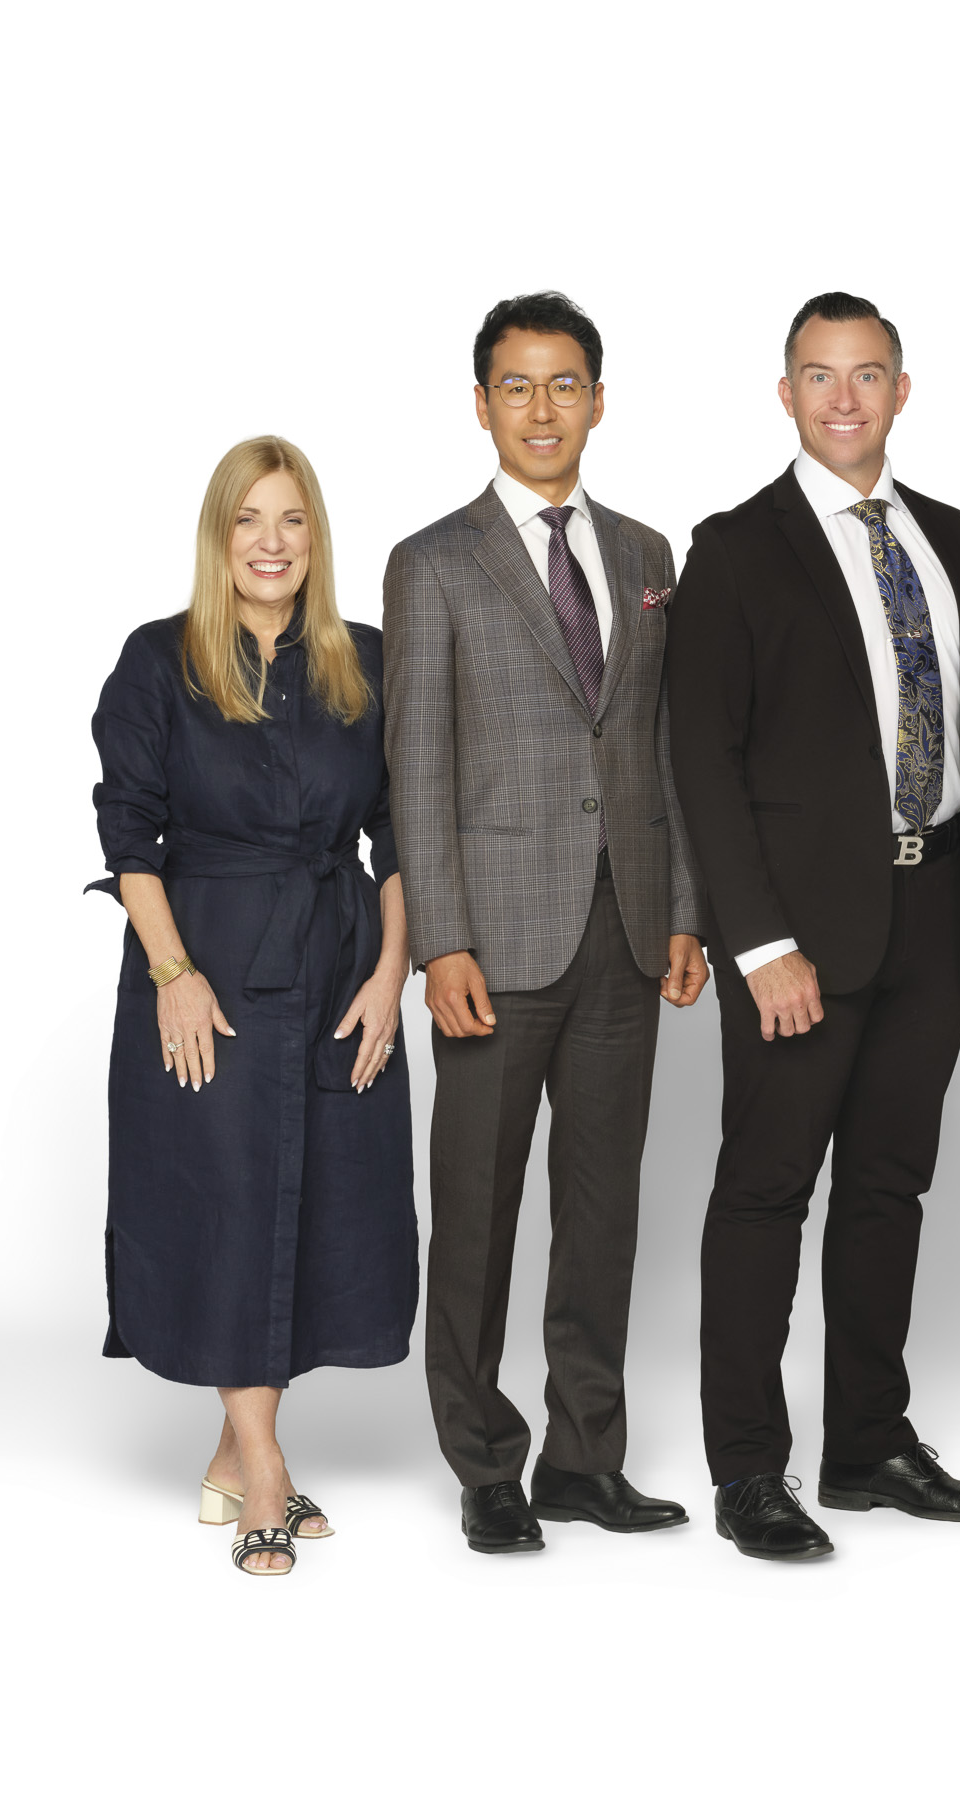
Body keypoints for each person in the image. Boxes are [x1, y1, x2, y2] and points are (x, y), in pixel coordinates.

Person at [666, 291, 960, 1562]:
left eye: (866, 373)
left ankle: (867, 1443)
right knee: (766, 1193)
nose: (843, 397)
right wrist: (759, 946)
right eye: (818, 375)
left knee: (888, 1188)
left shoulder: (955, 540)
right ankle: (747, 1468)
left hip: (933, 912)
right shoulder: (734, 550)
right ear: (785, 394)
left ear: (900, 390)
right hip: (801, 935)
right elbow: (700, 760)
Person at [384, 292, 708, 1557]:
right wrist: (441, 941)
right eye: (515, 386)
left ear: (598, 400)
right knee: (474, 1212)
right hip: (495, 943)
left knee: (601, 1211)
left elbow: (665, 746)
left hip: (625, 931)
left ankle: (584, 1458)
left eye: (563, 383)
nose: (541, 408)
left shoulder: (645, 553)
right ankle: (484, 1463)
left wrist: (682, 910)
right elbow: (416, 767)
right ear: (481, 405)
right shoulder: (434, 562)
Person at [90, 436, 417, 1577]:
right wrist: (174, 976)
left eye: (292, 519)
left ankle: (234, 1454)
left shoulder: (364, 660)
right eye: (248, 520)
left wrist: (391, 975)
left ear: (315, 535)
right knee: (226, 1202)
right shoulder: (158, 659)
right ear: (217, 535)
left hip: (339, 964)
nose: (271, 543)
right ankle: (268, 1469)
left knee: (320, 1202)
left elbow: (399, 831)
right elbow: (129, 834)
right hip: (210, 964)